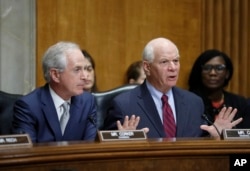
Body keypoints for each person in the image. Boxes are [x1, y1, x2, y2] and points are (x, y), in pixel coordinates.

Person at [103, 37, 242, 138]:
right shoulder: (124, 105)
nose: (173, 68)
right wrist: (121, 141)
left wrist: (214, 137)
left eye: (176, 61)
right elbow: (107, 151)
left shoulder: (193, 102)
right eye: (164, 62)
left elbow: (198, 147)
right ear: (147, 67)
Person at [12, 41, 97, 143]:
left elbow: (91, 147)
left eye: (85, 69)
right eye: (77, 70)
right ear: (55, 75)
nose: (85, 76)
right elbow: (27, 152)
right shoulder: (28, 106)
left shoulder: (87, 101)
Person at [188, 49, 249, 128]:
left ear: (227, 73)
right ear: (200, 72)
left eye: (219, 68)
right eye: (207, 68)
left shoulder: (240, 103)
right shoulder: (190, 102)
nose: (213, 73)